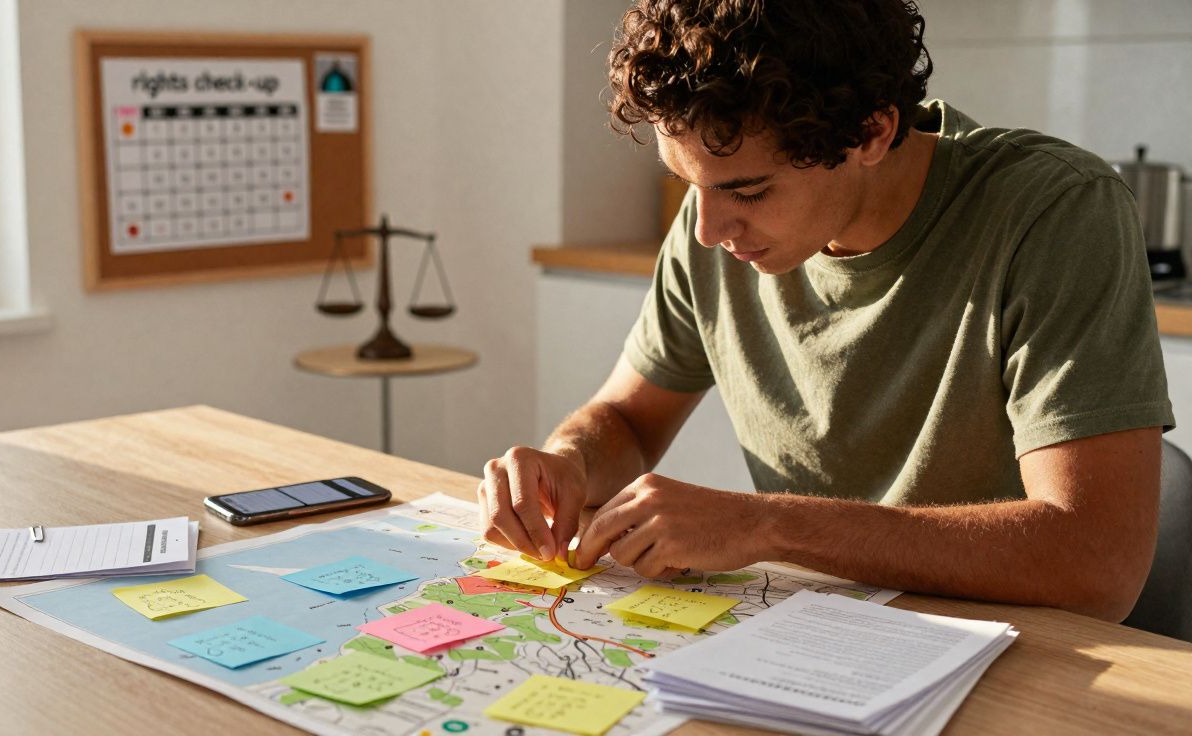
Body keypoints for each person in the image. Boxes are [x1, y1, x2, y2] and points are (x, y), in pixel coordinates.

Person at [478, 0, 1175, 622]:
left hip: (1016, 651)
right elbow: (629, 420)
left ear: (872, 133)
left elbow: (1097, 564)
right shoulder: (712, 221)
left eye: (749, 191)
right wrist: (567, 461)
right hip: (819, 634)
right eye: (687, 181)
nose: (707, 230)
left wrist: (766, 525)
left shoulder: (1054, 212)